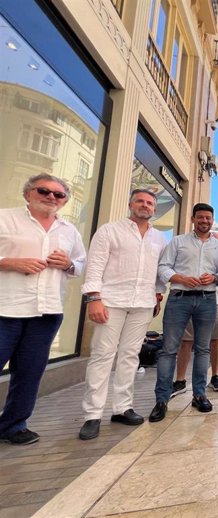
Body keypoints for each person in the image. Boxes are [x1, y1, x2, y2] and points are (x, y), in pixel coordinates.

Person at [0, 173, 86, 445]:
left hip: (47, 311)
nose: (51, 197)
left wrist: (68, 263)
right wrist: (10, 262)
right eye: (44, 191)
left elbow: (82, 264)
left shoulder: (69, 230)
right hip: (6, 307)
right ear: (28, 194)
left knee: (30, 370)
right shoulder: (5, 218)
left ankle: (13, 425)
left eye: (58, 195)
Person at [78, 189, 166, 440]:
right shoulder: (109, 230)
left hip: (142, 303)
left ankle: (122, 407)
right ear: (130, 204)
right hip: (111, 302)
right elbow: (94, 266)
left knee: (130, 356)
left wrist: (158, 295)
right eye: (140, 201)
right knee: (102, 355)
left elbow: (159, 272)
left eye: (150, 203)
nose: (145, 206)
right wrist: (93, 297)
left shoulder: (159, 238)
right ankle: (92, 414)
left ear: (154, 209)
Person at [149, 203, 218, 422]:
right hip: (179, 299)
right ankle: (161, 399)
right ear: (193, 219)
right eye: (200, 217)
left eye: (208, 218)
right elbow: (163, 267)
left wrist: (215, 278)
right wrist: (181, 278)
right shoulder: (178, 242)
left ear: (212, 220)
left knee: (202, 349)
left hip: (207, 300)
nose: (204, 221)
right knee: (169, 349)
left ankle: (199, 395)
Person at [170, 284, 218, 398]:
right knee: (187, 340)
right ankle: (180, 380)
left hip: (217, 299)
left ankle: (215, 376)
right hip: (190, 297)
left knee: (215, 339)